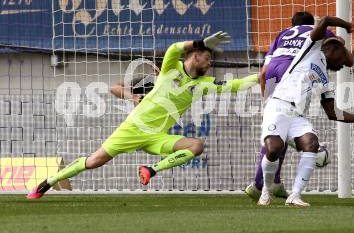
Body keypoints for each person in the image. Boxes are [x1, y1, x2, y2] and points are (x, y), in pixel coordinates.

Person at [27, 31, 259, 199]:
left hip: (157, 136)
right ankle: (48, 182)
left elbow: (235, 85)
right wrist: (200, 42)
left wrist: (262, 75)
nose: (210, 64)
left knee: (196, 146)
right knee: (95, 161)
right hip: (133, 128)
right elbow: (174, 48)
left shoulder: (204, 84)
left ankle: (150, 170)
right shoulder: (170, 68)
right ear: (195, 56)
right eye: (208, 59)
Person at [257, 16, 354, 207]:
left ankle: (295, 196)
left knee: (311, 143)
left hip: (297, 117)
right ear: (333, 49)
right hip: (278, 106)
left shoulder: (324, 77)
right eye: (342, 58)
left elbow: (333, 113)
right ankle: (265, 191)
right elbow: (324, 21)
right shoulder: (310, 49)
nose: (343, 64)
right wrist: (346, 26)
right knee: (274, 148)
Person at [245, 11, 333, 200]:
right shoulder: (315, 30)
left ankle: (273, 183)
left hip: (273, 72)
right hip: (294, 70)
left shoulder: (283, 33)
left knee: (277, 127)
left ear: (292, 23)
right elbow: (336, 46)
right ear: (312, 23)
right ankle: (260, 185)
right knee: (285, 124)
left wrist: (267, 99)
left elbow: (263, 72)